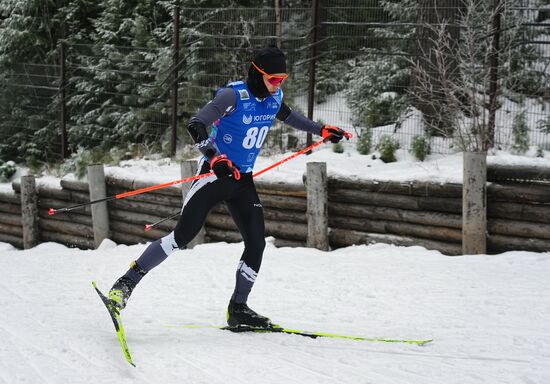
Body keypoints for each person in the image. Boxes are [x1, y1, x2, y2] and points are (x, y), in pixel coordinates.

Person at [108, 45, 346, 329]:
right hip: (214, 176)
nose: (278, 84)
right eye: (273, 79)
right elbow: (196, 125)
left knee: (257, 243)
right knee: (181, 237)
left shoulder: (273, 98)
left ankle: (238, 309)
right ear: (258, 74)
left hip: (242, 182)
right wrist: (215, 158)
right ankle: (124, 285)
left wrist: (322, 130)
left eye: (282, 79)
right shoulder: (233, 96)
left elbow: (290, 116)